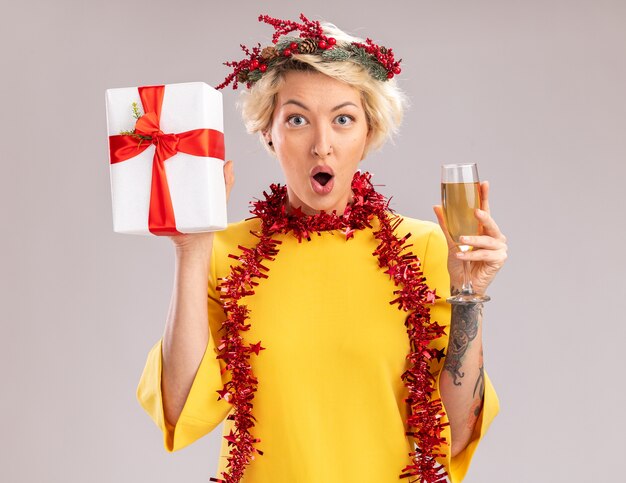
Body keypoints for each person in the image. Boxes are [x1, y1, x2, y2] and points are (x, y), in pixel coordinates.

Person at [136, 13, 508, 483]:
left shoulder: (428, 248)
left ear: (368, 133)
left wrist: (468, 295)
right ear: (268, 133)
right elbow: (178, 405)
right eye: (297, 119)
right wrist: (191, 251)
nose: (321, 145)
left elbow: (454, 435)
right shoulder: (224, 251)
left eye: (343, 120)